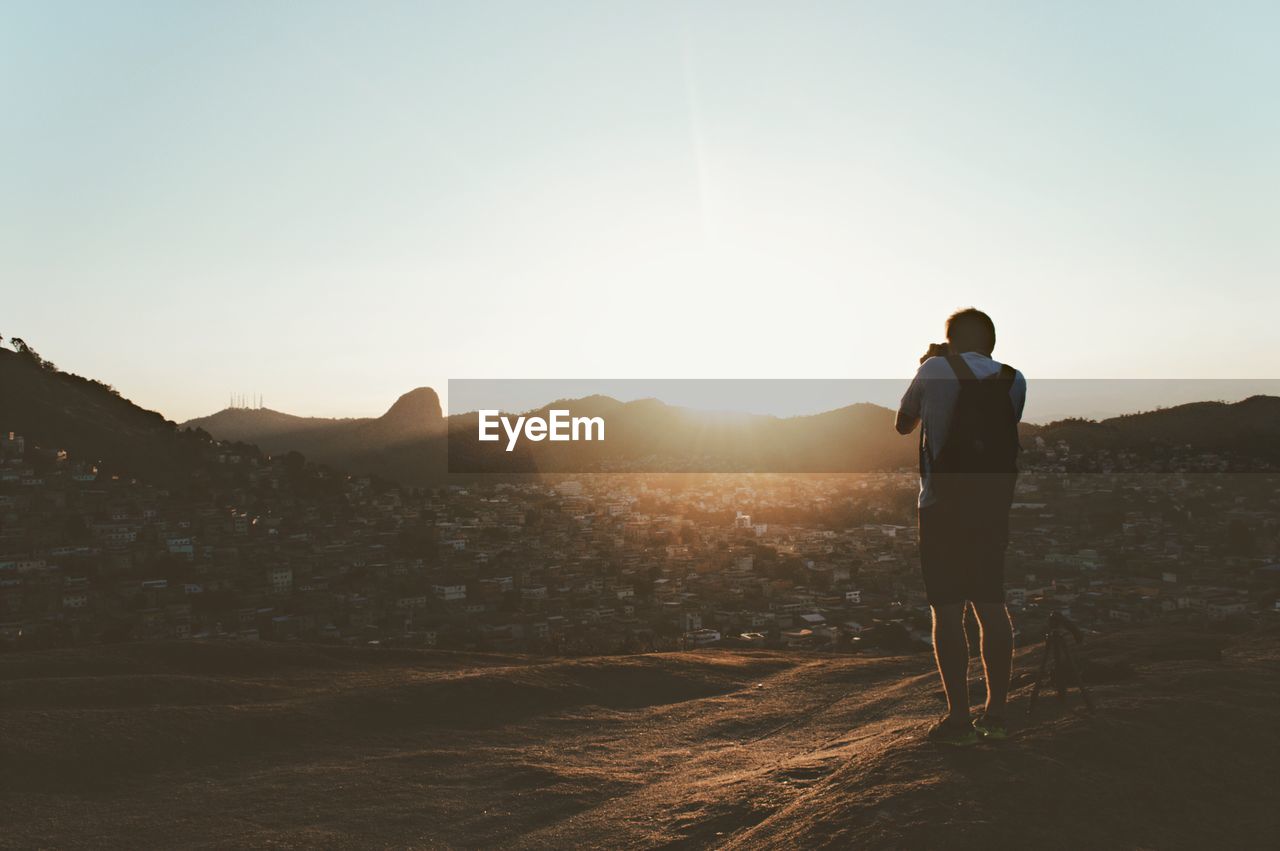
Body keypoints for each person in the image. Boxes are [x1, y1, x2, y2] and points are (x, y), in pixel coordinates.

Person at [895, 308, 1026, 746]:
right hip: (991, 506)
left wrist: (927, 366)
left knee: (947, 610)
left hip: (941, 506)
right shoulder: (1013, 378)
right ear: (991, 341)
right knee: (992, 605)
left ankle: (958, 719)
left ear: (949, 340)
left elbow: (903, 424)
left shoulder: (934, 369)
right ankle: (997, 714)